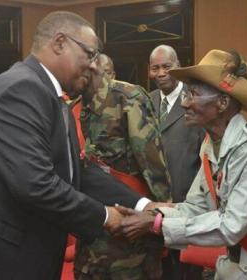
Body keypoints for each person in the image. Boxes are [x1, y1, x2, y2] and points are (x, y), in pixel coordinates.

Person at [0, 11, 147, 280]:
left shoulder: (49, 94)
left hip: (22, 253)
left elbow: (78, 172)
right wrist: (104, 216)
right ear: (60, 42)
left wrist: (144, 204)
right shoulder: (20, 89)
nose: (95, 66)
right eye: (89, 54)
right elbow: (35, 184)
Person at [116, 49, 247, 280]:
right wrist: (153, 211)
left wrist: (156, 224)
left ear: (222, 102)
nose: (185, 103)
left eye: (193, 94)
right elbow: (196, 207)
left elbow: (231, 226)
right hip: (234, 266)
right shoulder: (211, 146)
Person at [72, 54, 172, 279]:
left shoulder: (127, 97)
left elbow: (153, 166)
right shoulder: (72, 106)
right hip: (90, 229)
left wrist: (160, 221)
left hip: (130, 236)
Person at [148, 45, 205, 279]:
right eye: (155, 68)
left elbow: (205, 158)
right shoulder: (144, 101)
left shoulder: (195, 100)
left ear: (178, 66)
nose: (161, 73)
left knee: (185, 272)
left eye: (166, 67)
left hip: (187, 208)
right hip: (153, 207)